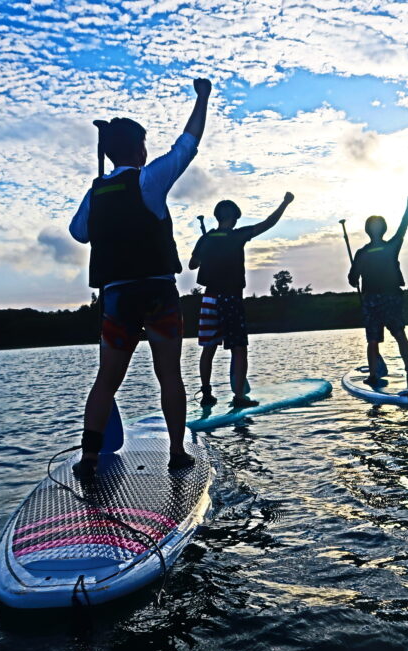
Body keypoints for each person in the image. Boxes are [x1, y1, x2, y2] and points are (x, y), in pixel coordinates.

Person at [67, 77, 212, 479]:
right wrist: (203, 99)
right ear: (140, 149)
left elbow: (79, 233)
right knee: (168, 374)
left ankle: (89, 458)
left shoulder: (96, 193)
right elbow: (187, 144)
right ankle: (178, 453)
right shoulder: (148, 180)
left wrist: (103, 206)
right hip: (157, 295)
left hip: (117, 299)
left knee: (106, 381)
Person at [189, 192, 295, 407]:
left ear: (217, 217)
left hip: (209, 299)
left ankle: (207, 394)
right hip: (230, 298)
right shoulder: (237, 235)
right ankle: (239, 396)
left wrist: (207, 252)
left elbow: (192, 265)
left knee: (208, 348)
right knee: (238, 347)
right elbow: (268, 223)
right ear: (234, 218)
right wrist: (285, 202)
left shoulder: (206, 238)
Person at [347, 196, 408, 387]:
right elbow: (353, 277)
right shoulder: (362, 253)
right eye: (373, 225)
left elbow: (404, 226)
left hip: (392, 297)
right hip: (371, 299)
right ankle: (373, 375)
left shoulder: (391, 246)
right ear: (368, 230)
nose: (376, 228)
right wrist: (353, 280)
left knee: (400, 333)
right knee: (372, 339)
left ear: (383, 228)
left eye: (379, 225)